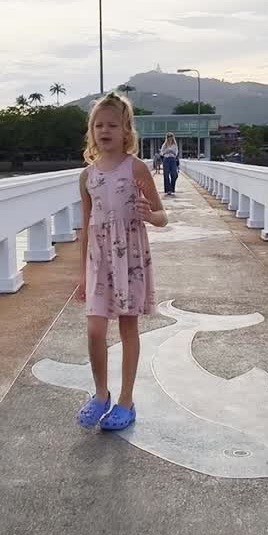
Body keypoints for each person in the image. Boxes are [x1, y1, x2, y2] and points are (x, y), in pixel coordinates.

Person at [75, 92, 167, 431]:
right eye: (99, 125)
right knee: (95, 330)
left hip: (129, 259)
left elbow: (162, 215)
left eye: (113, 124)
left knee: (128, 327)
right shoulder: (87, 176)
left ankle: (126, 400)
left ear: (125, 129)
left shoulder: (137, 168)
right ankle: (101, 394)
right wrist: (82, 275)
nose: (105, 130)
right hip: (99, 262)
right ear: (91, 131)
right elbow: (85, 227)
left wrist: (151, 215)